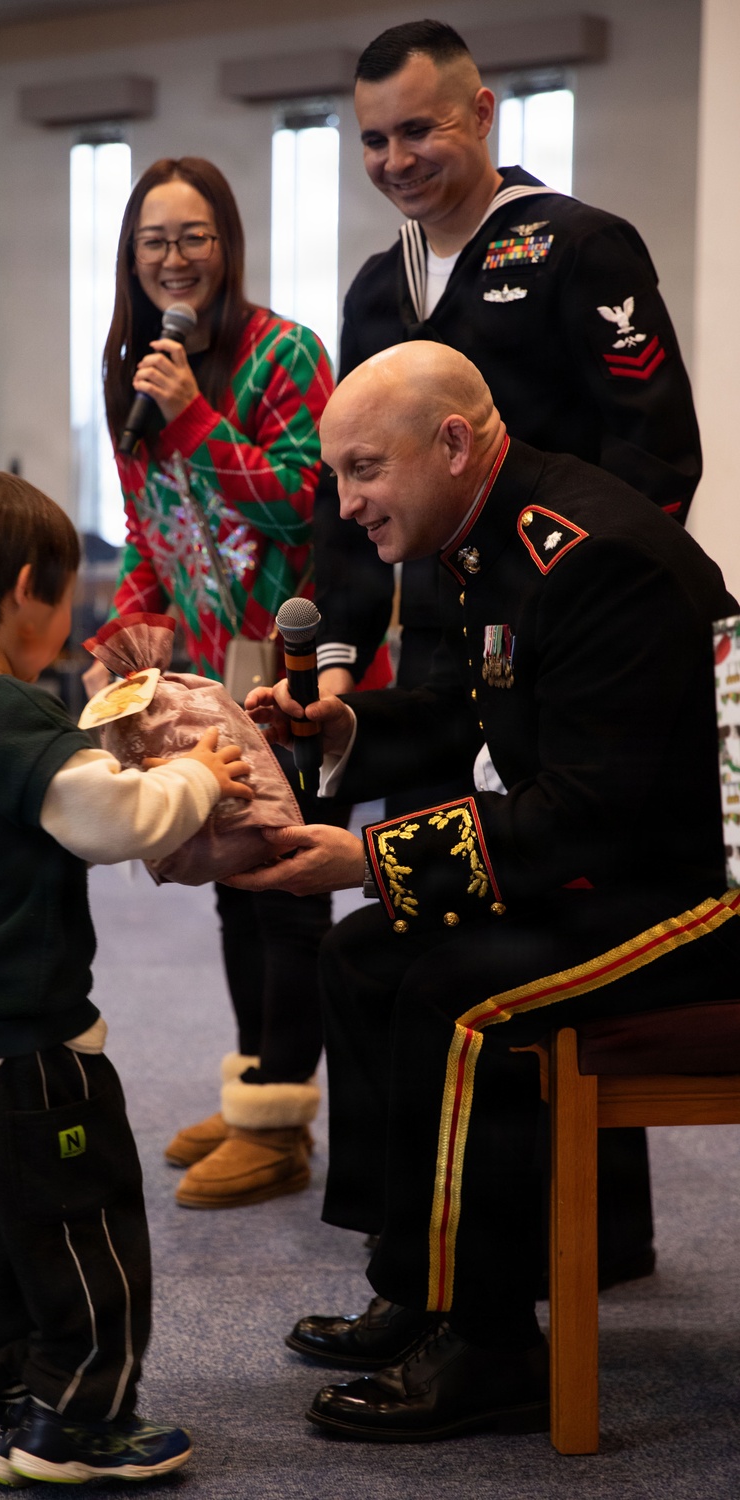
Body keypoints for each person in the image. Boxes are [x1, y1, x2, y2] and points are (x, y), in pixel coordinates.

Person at [232, 342, 739, 1443]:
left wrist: (370, 861)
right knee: (361, 957)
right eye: (339, 476)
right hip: (607, 863)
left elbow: (573, 818)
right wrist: (342, 727)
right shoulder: (487, 534)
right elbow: (481, 716)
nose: (348, 503)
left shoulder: (590, 555)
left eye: (365, 469)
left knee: (461, 999)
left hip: (702, 897)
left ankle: (493, 1343)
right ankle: (415, 1284)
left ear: (451, 443)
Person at [313, 16, 696, 1281]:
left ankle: (585, 1242)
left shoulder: (576, 245)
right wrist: (338, 674)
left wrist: (579, 605)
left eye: (418, 128)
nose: (396, 157)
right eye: (372, 138)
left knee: (533, 910)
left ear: (482, 115)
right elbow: (353, 496)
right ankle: (418, 1262)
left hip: (576, 625)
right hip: (449, 643)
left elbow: (654, 447)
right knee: (417, 918)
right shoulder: (382, 287)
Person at [0, 470, 254, 1486]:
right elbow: (111, 820)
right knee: (82, 1227)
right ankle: (78, 1420)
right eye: (70, 590)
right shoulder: (10, 724)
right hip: (21, 1046)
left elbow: (26, 787)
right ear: (26, 590)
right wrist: (200, 776)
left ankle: (8, 1400)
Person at [96, 155, 350, 1210]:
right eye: (155, 239)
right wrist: (125, 622)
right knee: (226, 881)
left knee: (285, 891)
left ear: (227, 245)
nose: (174, 257)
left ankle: (283, 1118)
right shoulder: (131, 368)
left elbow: (308, 503)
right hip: (198, 675)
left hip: (291, 670)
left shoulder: (287, 352)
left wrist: (199, 416)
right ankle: (257, 1089)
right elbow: (150, 535)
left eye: (193, 236)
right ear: (133, 256)